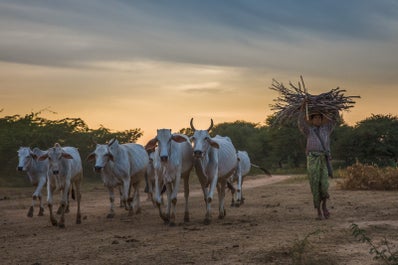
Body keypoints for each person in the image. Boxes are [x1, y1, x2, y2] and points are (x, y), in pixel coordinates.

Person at [298, 104, 337, 220]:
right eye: (315, 118)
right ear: (312, 120)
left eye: (319, 118)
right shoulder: (308, 131)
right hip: (312, 160)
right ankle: (319, 211)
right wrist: (302, 108)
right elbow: (301, 122)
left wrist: (333, 105)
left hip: (323, 160)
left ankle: (324, 205)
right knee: (315, 186)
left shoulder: (327, 129)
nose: (317, 120)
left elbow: (335, 118)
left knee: (324, 185)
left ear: (322, 119)